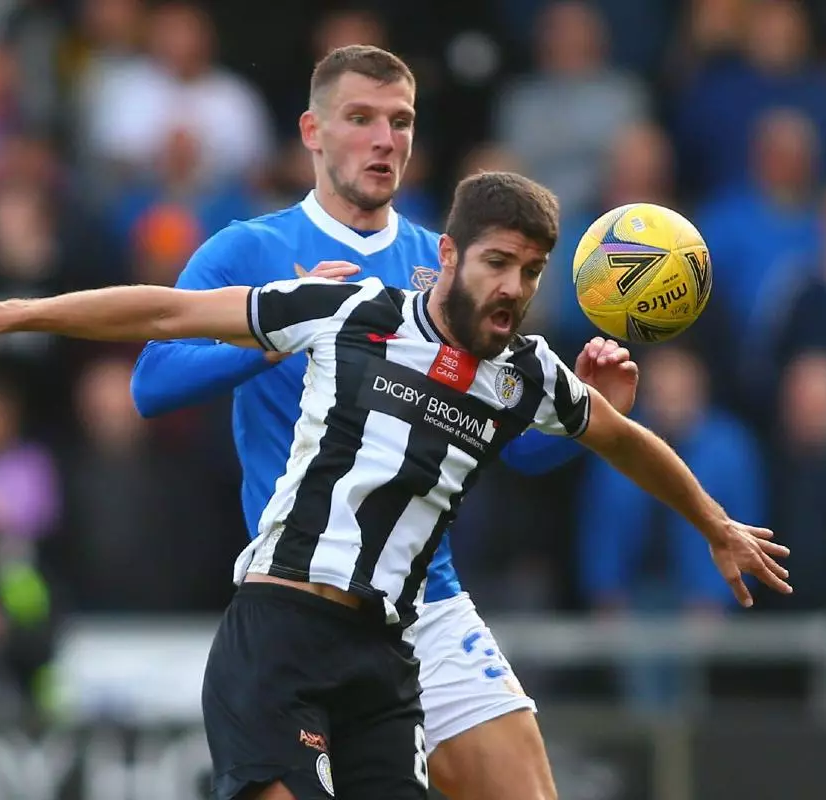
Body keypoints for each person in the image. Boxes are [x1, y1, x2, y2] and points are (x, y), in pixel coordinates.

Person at [0, 170, 793, 800]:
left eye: (530, 272)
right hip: (280, 635)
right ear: (449, 254)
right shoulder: (349, 310)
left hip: (385, 658)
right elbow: (167, 311)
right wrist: (13, 315)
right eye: (497, 263)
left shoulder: (526, 376)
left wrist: (715, 525)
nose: (513, 288)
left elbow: (628, 442)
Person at [130, 44, 595, 800]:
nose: (385, 139)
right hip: (304, 597)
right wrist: (276, 330)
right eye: (361, 118)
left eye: (400, 121)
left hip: (424, 601)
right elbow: (153, 383)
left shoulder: (445, 265)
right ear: (312, 132)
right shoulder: (251, 249)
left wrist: (591, 419)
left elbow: (515, 451)